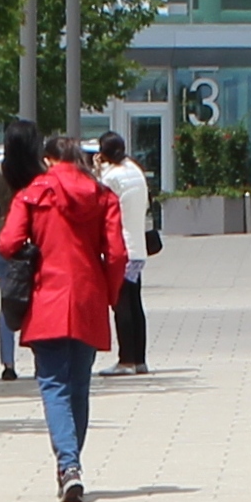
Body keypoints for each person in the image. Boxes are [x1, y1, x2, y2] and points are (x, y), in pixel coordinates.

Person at [0, 127, 126, 502]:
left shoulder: (33, 194)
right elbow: (116, 254)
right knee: (78, 386)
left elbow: (7, 243)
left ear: (50, 160)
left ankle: (69, 467)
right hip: (87, 297)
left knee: (53, 385)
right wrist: (111, 293)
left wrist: (33, 250)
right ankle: (72, 464)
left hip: (46, 297)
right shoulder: (103, 196)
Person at [89, 129, 156, 374]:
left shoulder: (112, 177)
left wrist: (98, 171)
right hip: (138, 247)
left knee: (121, 303)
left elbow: (99, 201)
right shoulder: (135, 170)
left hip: (121, 248)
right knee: (135, 302)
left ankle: (125, 359)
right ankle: (139, 359)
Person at [0, 121, 45, 380]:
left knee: (7, 300)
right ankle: (40, 358)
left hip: (5, 242)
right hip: (36, 241)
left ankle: (8, 364)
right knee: (38, 300)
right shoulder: (41, 173)